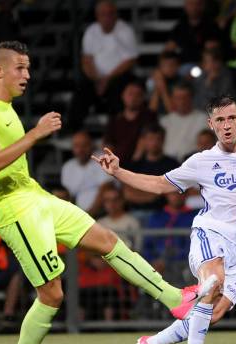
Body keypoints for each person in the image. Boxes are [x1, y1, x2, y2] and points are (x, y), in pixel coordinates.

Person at [0, 41, 215, 344]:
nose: (27, 75)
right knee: (53, 294)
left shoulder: (3, 108)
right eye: (20, 68)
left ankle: (174, 299)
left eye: (28, 68)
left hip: (35, 196)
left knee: (106, 240)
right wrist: (37, 133)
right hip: (13, 210)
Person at [93, 94, 236, 344]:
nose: (227, 125)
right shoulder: (202, 161)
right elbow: (159, 184)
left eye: (232, 118)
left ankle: (150, 343)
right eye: (220, 120)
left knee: (215, 313)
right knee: (213, 281)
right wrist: (118, 173)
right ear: (210, 123)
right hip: (210, 232)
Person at [68, 0, 138, 128]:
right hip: (96, 78)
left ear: (116, 15)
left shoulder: (126, 31)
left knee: (121, 90)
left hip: (118, 77)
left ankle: (116, 129)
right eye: (103, 14)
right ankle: (73, 129)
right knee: (81, 90)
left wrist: (107, 79)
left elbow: (130, 61)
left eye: (110, 14)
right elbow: (86, 60)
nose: (107, 18)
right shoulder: (91, 32)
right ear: (97, 16)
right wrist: (96, 79)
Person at [103, 80, 157, 167]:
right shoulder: (115, 119)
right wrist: (111, 162)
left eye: (138, 95)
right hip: (116, 165)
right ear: (123, 95)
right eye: (130, 94)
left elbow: (145, 141)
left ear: (143, 98)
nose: (133, 98)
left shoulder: (148, 117)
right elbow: (108, 143)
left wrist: (133, 164)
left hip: (140, 166)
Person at [61, 130, 111, 216]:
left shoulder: (101, 159)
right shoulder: (68, 167)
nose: (81, 149)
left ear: (91, 145)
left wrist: (89, 216)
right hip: (79, 214)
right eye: (77, 146)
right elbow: (69, 195)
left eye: (84, 145)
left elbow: (106, 189)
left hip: (101, 213)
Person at [159, 82, 208, 161]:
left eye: (185, 97)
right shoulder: (164, 121)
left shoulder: (204, 119)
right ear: (172, 99)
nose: (182, 101)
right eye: (178, 98)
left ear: (192, 98)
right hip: (167, 165)